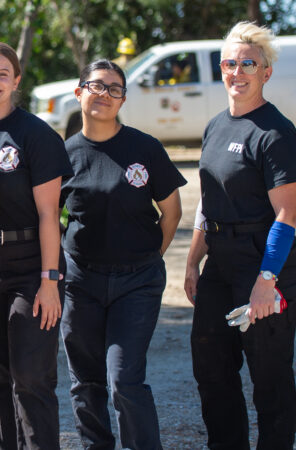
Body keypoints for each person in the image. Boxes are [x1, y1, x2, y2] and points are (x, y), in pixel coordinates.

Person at [184, 22, 296, 449]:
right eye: (230, 63)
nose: (238, 71)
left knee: (269, 381)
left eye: (248, 63)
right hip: (221, 264)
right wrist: (193, 258)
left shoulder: (275, 132)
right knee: (212, 371)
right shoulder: (216, 125)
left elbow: (287, 214)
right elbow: (208, 198)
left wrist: (266, 281)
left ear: (265, 73)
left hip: (264, 268)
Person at [59, 59, 186, 449]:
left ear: (123, 99)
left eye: (115, 89)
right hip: (82, 283)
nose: (105, 95)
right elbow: (49, 216)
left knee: (124, 379)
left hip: (137, 281)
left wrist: (150, 257)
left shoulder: (144, 148)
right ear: (79, 92)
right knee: (86, 382)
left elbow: (172, 211)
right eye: (97, 86)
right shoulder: (63, 155)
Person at [0, 41, 72, 450]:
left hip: (32, 269)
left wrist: (50, 281)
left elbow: (50, 215)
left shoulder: (36, 135)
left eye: (2, 75)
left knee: (30, 374)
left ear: (17, 82)